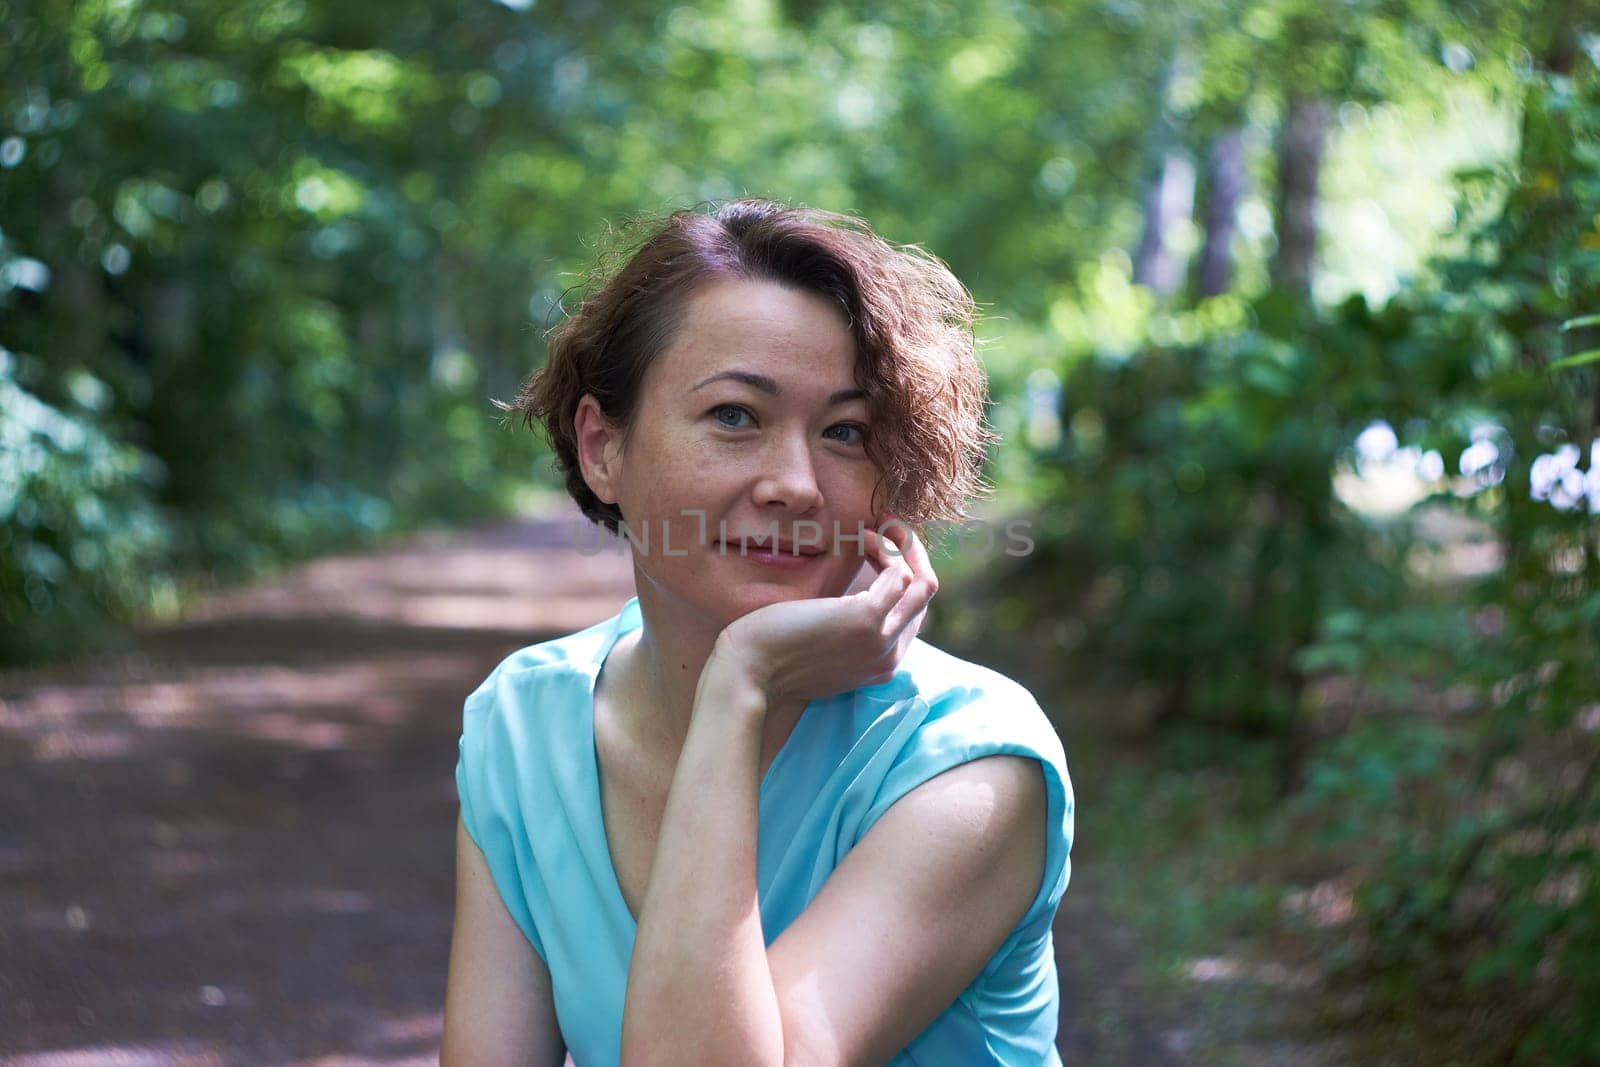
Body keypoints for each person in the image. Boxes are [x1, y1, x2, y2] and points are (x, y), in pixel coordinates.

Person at [441, 199, 1074, 1066]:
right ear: (601, 446)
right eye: (736, 415)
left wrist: (739, 683)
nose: (796, 484)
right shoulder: (526, 724)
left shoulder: (972, 765)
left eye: (845, 432)